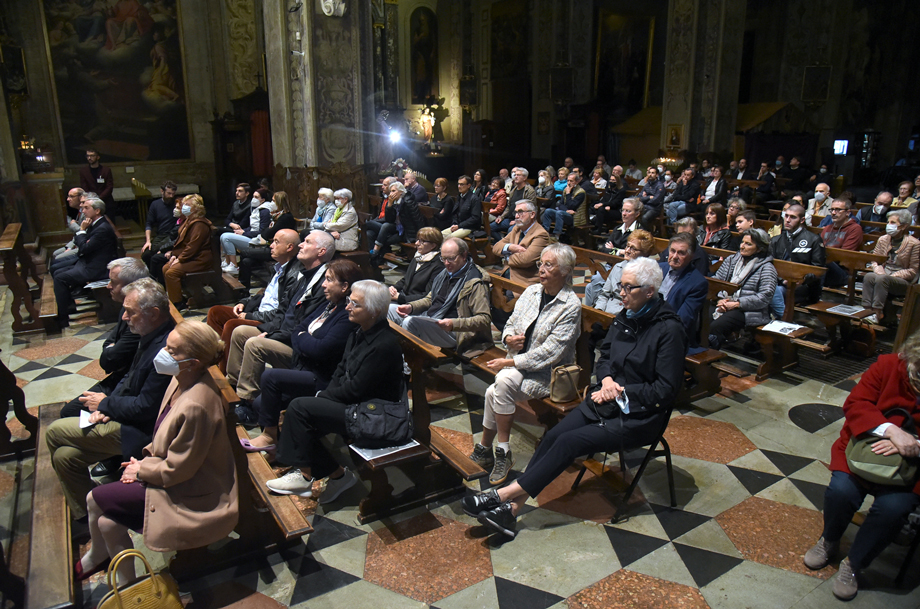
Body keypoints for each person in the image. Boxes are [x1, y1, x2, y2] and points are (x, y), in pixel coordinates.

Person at [462, 257, 686, 538]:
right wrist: (605, 380)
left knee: (569, 441)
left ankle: (502, 495)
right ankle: (512, 510)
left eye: (629, 288)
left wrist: (619, 391)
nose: (621, 293)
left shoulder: (669, 329)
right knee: (554, 436)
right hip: (603, 401)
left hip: (639, 416)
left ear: (650, 291)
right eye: (621, 286)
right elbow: (604, 357)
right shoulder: (626, 317)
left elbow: (666, 389)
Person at [76, 321, 239, 584]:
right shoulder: (179, 381)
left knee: (95, 497)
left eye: (172, 351)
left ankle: (96, 556)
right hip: (168, 473)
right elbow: (163, 433)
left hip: (193, 491)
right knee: (108, 524)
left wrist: (141, 469)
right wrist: (141, 461)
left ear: (193, 362)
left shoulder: (197, 404)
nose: (163, 354)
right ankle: (129, 588)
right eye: (166, 346)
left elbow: (180, 468)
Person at [803, 335, 920, 601]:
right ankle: (829, 540)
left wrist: (912, 443)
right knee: (841, 491)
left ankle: (854, 564)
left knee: (894, 509)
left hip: (912, 464)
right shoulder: (888, 365)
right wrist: (890, 431)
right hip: (864, 446)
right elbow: (857, 404)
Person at [45, 279, 174, 520]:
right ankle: (90, 515)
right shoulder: (150, 332)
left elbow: (147, 407)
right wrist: (108, 403)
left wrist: (106, 405)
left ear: (154, 313)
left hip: (141, 431)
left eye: (130, 312)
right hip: (126, 416)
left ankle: (106, 511)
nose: (124, 318)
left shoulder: (166, 350)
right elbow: (129, 377)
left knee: (53, 432)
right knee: (65, 458)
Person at [266, 280, 404, 502]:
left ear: (375, 311)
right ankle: (337, 476)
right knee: (301, 414)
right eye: (349, 300)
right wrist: (325, 396)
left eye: (355, 304)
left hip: (374, 414)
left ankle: (304, 475)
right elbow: (341, 371)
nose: (348, 306)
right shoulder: (359, 332)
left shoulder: (384, 345)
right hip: (355, 404)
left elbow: (357, 389)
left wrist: (323, 398)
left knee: (300, 409)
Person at [469, 244, 582, 485]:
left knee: (500, 383)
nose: (540, 268)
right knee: (497, 387)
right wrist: (508, 337)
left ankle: (492, 450)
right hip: (520, 366)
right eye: (541, 263)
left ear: (565, 271)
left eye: (548, 265)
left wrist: (510, 360)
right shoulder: (532, 292)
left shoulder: (570, 305)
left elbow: (551, 353)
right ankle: (498, 450)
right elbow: (510, 323)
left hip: (549, 375)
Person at [242, 260, 362, 453]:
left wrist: (303, 340)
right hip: (305, 368)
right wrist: (304, 340)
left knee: (270, 377)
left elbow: (320, 350)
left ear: (345, 286)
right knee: (259, 403)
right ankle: (281, 449)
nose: (323, 284)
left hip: (323, 378)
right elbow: (299, 328)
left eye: (329, 280)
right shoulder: (329, 305)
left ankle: (269, 437)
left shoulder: (346, 315)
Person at [227, 231, 335, 412]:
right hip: (284, 333)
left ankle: (249, 402)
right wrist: (270, 329)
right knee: (239, 332)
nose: (301, 245)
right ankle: (233, 386)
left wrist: (272, 335)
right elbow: (283, 310)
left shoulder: (323, 284)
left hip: (297, 346)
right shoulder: (304, 275)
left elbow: (304, 325)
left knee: (255, 344)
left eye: (307, 242)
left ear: (321, 251)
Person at [59, 258, 148, 418]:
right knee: (68, 411)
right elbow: (110, 345)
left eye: (113, 282)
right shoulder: (127, 309)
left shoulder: (141, 316)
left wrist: (110, 403)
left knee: (69, 414)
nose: (108, 286)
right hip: (122, 378)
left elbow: (112, 359)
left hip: (125, 385)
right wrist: (111, 348)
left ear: (131, 285)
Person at [206, 229, 303, 372]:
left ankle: (225, 371)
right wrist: (244, 303)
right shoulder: (278, 267)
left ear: (289, 247)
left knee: (233, 325)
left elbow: (281, 311)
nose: (271, 245)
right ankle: (212, 359)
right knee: (216, 312)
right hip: (259, 312)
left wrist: (250, 316)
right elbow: (265, 295)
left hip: (269, 321)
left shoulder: (295, 275)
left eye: (276, 242)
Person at [390, 238, 492, 353]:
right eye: (443, 258)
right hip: (433, 318)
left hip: (456, 331)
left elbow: (484, 319)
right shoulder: (445, 273)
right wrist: (411, 307)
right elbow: (430, 299)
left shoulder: (474, 281)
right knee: (389, 309)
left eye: (451, 258)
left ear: (464, 255)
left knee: (410, 323)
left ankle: (409, 367)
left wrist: (453, 324)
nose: (446, 263)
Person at [52, 195, 118, 328]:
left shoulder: (102, 228)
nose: (83, 211)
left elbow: (84, 247)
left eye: (87, 208)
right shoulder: (95, 224)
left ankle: (63, 318)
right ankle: (68, 306)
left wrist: (81, 231)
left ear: (97, 210)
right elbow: (81, 243)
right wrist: (82, 235)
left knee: (60, 278)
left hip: (96, 268)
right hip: (88, 262)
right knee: (57, 271)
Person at [708, 229, 777, 350]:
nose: (742, 246)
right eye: (742, 242)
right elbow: (716, 281)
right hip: (723, 302)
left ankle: (709, 357)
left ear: (760, 248)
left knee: (717, 326)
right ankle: (695, 352)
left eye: (748, 244)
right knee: (701, 317)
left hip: (749, 311)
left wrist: (737, 304)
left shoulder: (767, 268)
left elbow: (764, 297)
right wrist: (719, 299)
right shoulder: (732, 260)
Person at [153, 194, 213, 308]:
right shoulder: (189, 220)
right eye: (184, 204)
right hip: (191, 257)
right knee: (165, 268)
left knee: (171, 272)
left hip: (200, 259)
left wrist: (180, 259)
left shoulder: (199, 224)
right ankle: (176, 296)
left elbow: (192, 247)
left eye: (187, 205)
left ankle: (177, 302)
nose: (184, 207)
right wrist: (174, 255)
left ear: (196, 207)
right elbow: (180, 242)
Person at [862, 208, 920, 325]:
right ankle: (867, 310)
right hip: (883, 275)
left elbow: (913, 270)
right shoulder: (883, 239)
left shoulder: (914, 244)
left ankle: (877, 313)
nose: (889, 225)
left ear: (903, 226)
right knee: (869, 276)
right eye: (888, 222)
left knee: (882, 279)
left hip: (903, 280)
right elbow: (875, 259)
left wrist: (891, 275)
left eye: (893, 223)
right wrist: (877, 268)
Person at [768, 203, 826, 318]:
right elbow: (769, 264)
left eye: (793, 217)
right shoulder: (776, 240)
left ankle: (783, 320)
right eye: (786, 216)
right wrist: (781, 278)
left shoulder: (813, 240)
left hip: (804, 286)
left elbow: (818, 269)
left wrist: (801, 280)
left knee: (773, 291)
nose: (788, 220)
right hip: (779, 282)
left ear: (802, 220)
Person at [236, 191, 298, 288]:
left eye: (273, 201)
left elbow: (267, 233)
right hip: (270, 245)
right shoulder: (275, 216)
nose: (271, 203)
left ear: (279, 202)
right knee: (246, 261)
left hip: (280, 250)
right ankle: (243, 289)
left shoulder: (285, 217)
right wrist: (268, 232)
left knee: (244, 252)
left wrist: (268, 232)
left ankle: (242, 286)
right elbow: (266, 232)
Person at [659, 233, 709, 353]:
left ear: (692, 256)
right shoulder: (657, 268)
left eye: (681, 253)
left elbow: (682, 321)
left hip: (672, 335)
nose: (675, 256)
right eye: (672, 251)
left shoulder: (697, 282)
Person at [588, 229, 656, 312]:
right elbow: (605, 294)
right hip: (607, 310)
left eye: (633, 248)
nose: (627, 251)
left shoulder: (647, 274)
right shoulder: (618, 266)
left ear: (645, 253)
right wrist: (599, 310)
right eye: (627, 246)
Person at [492, 200, 551, 285]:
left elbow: (525, 260)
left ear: (532, 214)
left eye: (520, 212)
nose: (516, 216)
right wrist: (510, 247)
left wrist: (506, 256)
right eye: (515, 212)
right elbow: (496, 247)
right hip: (508, 274)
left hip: (523, 280)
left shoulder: (541, 234)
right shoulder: (517, 229)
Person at [369, 181, 425, 262]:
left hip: (407, 232)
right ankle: (376, 256)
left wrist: (420, 237)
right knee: (374, 231)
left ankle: (376, 256)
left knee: (384, 237)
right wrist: (389, 205)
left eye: (393, 191)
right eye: (391, 191)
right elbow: (389, 220)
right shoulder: (395, 201)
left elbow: (418, 220)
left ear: (401, 192)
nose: (391, 193)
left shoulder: (408, 202)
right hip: (397, 228)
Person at [221, 188, 274, 273]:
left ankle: (234, 266)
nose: (253, 199)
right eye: (253, 196)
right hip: (251, 236)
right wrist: (242, 231)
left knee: (226, 237)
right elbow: (253, 227)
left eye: (256, 197)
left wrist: (244, 233)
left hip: (257, 241)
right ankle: (228, 262)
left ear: (263, 200)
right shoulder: (256, 209)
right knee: (224, 235)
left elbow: (262, 231)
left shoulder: (264, 211)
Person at [142, 181, 178, 266]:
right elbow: (149, 224)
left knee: (153, 255)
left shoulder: (176, 204)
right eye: (169, 193)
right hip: (161, 235)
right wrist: (148, 241)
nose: (171, 196)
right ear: (162, 191)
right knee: (146, 255)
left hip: (172, 235)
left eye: (173, 194)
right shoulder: (155, 204)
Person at [542, 171, 584, 239]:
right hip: (565, 212)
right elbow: (560, 204)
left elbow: (572, 206)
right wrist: (566, 210)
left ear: (576, 182)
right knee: (548, 211)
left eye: (571, 181)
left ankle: (556, 235)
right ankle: (545, 232)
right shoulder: (566, 190)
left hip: (575, 217)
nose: (569, 183)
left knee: (560, 213)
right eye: (568, 181)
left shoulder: (581, 192)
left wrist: (568, 194)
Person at [52, 188, 87, 264]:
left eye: (71, 196)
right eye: (68, 196)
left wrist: (73, 225)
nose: (68, 199)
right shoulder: (80, 211)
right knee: (55, 253)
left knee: (58, 258)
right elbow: (77, 235)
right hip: (76, 242)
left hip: (83, 245)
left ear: (80, 197)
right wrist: (69, 246)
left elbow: (84, 233)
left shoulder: (87, 213)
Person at [444, 175, 483, 240]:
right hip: (458, 225)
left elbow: (475, 217)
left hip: (470, 227)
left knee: (449, 238)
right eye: (458, 184)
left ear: (468, 185)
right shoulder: (459, 196)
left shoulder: (474, 198)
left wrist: (459, 226)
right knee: (440, 235)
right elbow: (455, 213)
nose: (459, 186)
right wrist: (455, 224)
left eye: (462, 184)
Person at [592, 165, 627, 232]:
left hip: (616, 211)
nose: (611, 181)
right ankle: (593, 225)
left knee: (601, 210)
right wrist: (601, 204)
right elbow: (605, 199)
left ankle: (598, 229)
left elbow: (616, 203)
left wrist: (604, 205)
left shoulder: (621, 190)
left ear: (617, 181)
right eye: (610, 180)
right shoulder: (608, 189)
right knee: (594, 206)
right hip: (606, 208)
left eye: (613, 180)